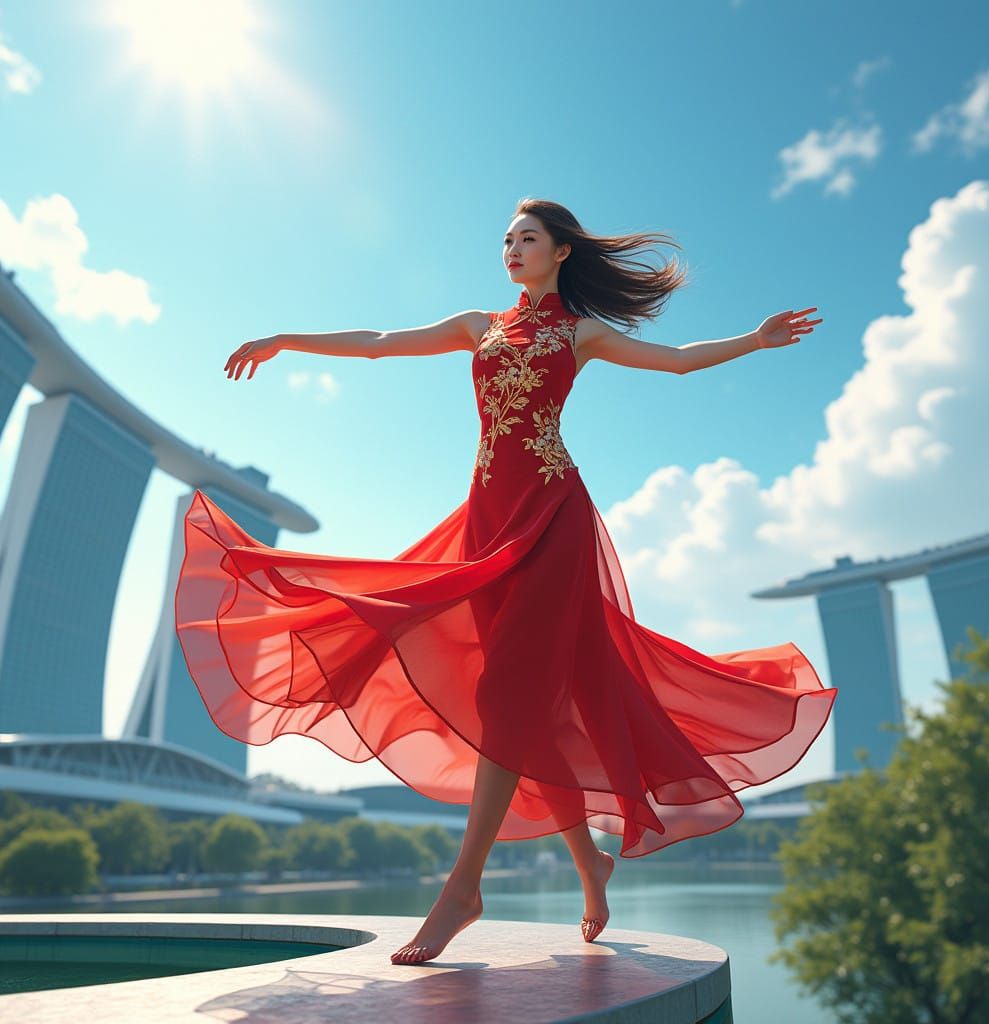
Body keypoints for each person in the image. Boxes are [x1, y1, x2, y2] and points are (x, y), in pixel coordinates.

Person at [175, 197, 835, 967]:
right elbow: (382, 344)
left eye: (527, 238)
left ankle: (463, 889)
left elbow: (680, 360)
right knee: (531, 709)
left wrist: (756, 340)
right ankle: (590, 868)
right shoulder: (476, 325)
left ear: (560, 253)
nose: (512, 249)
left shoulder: (578, 333)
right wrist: (289, 338)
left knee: (508, 698)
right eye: (507, 239)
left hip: (552, 519)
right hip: (488, 520)